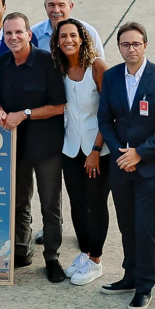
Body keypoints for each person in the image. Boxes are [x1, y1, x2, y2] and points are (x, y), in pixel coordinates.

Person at [96, 21, 155, 309]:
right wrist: (122, 153)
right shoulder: (113, 77)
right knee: (126, 224)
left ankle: (144, 286)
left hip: (149, 167)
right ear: (118, 48)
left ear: (145, 45)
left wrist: (139, 154)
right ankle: (129, 276)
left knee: (146, 227)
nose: (131, 49)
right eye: (125, 44)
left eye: (136, 44)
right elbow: (105, 118)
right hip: (121, 165)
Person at [0, 12, 70, 282]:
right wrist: (0, 110)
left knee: (50, 204)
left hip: (47, 146)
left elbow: (59, 105)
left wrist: (24, 113)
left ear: (29, 34)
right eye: (8, 33)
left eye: (18, 32)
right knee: (19, 201)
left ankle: (52, 257)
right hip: (16, 145)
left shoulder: (48, 62)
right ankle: (21, 249)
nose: (13, 37)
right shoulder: (2, 63)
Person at [52, 17, 109, 286]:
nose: (68, 40)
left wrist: (96, 150)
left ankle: (96, 260)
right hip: (70, 148)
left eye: (73, 35)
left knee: (96, 205)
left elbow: (109, 113)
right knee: (76, 203)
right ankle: (85, 253)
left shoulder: (97, 67)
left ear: (83, 38)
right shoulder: (59, 68)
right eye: (63, 36)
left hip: (97, 149)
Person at [31, 0, 102, 57]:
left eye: (61, 5)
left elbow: (100, 63)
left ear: (71, 6)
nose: (56, 10)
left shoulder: (89, 32)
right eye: (51, 5)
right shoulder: (34, 34)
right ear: (45, 7)